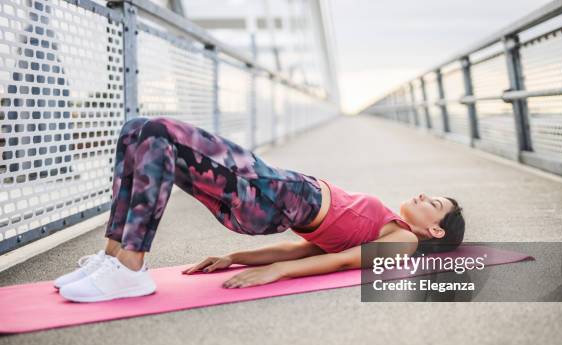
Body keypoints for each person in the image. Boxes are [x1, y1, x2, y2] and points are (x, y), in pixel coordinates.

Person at [55, 117, 465, 302]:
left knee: (158, 133)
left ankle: (130, 266)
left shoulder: (405, 241)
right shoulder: (386, 226)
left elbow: (341, 262)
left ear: (436, 232)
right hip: (268, 194)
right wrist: (235, 258)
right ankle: (113, 256)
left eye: (435, 204)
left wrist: (277, 274)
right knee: (138, 132)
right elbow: (305, 250)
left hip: (272, 193)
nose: (424, 196)